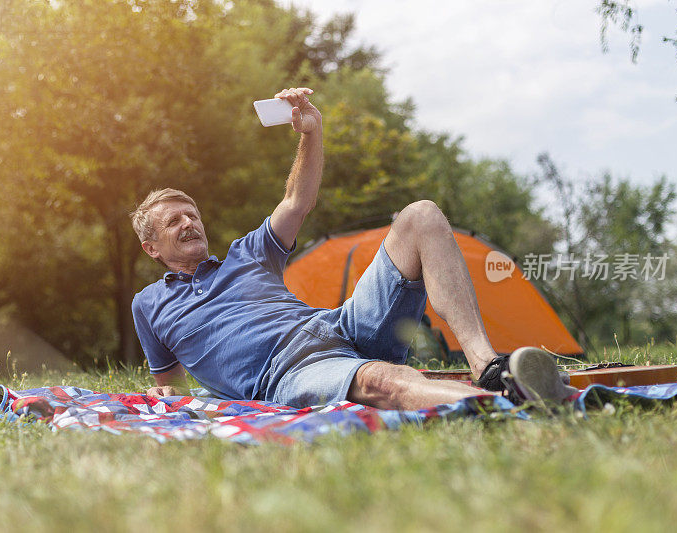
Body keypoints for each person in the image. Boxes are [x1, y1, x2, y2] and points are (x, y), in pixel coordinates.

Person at [129, 87, 576, 410]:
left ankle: (488, 367)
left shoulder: (247, 254)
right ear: (151, 246)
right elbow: (172, 387)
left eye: (192, 214)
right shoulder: (149, 305)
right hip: (286, 372)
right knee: (382, 380)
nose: (189, 222)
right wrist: (169, 396)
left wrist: (311, 131)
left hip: (343, 327)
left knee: (420, 215)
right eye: (174, 220)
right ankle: (517, 405)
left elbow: (297, 202)